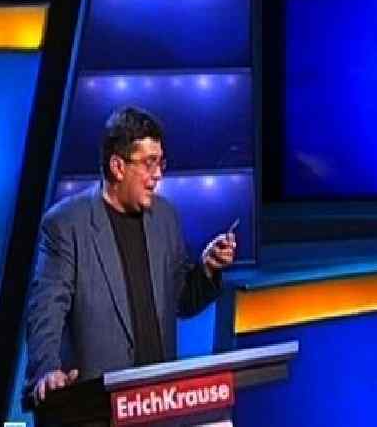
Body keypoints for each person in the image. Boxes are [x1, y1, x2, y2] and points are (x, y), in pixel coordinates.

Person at [24, 106, 236, 417]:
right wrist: (47, 369)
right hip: (97, 411)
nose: (158, 174)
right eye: (149, 163)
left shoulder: (165, 217)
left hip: (158, 407)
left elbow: (181, 300)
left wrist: (208, 269)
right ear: (117, 167)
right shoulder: (66, 224)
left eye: (161, 163)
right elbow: (46, 309)